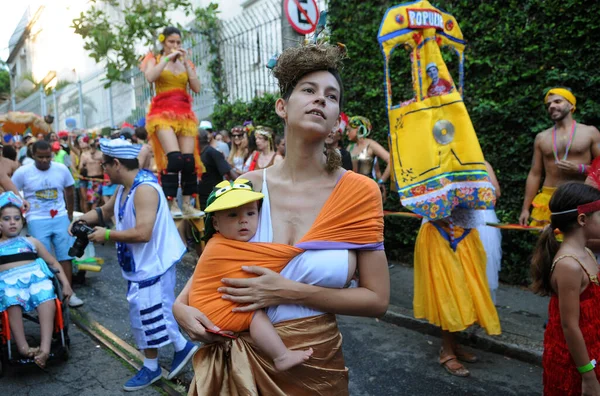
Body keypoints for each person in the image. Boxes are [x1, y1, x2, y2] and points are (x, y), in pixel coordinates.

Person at [173, 43, 389, 395]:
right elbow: (214, 264)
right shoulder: (246, 188)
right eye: (309, 90)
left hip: (315, 365)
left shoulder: (359, 193)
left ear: (337, 119)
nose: (321, 99)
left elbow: (377, 299)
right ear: (282, 107)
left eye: (331, 96)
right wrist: (179, 308)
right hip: (238, 368)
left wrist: (286, 290)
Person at [70, 138, 198, 390]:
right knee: (150, 312)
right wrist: (79, 220)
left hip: (153, 265)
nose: (102, 168)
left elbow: (143, 233)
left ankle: (157, 364)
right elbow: (105, 212)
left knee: (150, 313)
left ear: (116, 164)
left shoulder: (144, 189)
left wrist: (106, 235)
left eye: (105, 164)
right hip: (141, 265)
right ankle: (179, 350)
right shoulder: (124, 188)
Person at [190, 179, 322, 371]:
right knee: (254, 315)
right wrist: (299, 251)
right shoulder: (218, 248)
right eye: (233, 214)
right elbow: (274, 258)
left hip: (207, 310)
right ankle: (281, 356)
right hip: (212, 312)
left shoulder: (227, 244)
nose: (243, 220)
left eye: (251, 213)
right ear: (216, 223)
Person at [530, 182, 600, 395]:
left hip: (591, 349)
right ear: (582, 220)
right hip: (575, 362)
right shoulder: (568, 265)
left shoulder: (586, 253)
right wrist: (588, 377)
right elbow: (569, 326)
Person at [414, 208, 501, 377]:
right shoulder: (431, 182)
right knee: (449, 293)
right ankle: (447, 351)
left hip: (466, 234)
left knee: (465, 292)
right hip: (439, 233)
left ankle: (454, 345)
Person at [0, 191, 73, 368]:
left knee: (47, 295)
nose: (12, 222)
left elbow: (53, 262)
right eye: (7, 219)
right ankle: (24, 347)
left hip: (36, 279)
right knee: (10, 299)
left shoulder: (31, 242)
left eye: (16, 219)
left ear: (22, 221)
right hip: (9, 283)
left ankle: (45, 349)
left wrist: (66, 284)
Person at [11, 140, 83, 308]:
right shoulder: (23, 172)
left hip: (60, 216)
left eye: (47, 157)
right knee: (42, 257)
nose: (44, 160)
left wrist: (69, 214)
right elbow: (11, 191)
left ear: (52, 155)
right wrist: (19, 214)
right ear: (33, 155)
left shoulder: (61, 169)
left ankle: (69, 293)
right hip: (36, 218)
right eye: (40, 157)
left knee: (65, 255)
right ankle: (47, 293)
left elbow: (70, 191)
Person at [141, 26, 203, 218]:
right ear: (163, 42)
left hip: (184, 114)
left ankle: (187, 203)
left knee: (188, 161)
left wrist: (185, 63)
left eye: (178, 42)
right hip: (162, 113)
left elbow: (197, 88)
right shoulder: (155, 59)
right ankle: (171, 202)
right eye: (171, 42)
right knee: (175, 159)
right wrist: (167, 58)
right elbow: (150, 77)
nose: (175, 45)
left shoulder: (186, 62)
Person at [519, 88, 600, 227]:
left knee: (578, 243)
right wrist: (525, 209)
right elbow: (535, 174)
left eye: (557, 101)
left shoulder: (590, 132)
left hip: (580, 197)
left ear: (571, 105)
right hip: (549, 199)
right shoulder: (541, 138)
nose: (552, 106)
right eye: (549, 104)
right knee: (547, 244)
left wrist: (580, 168)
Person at [476, 161, 503, 303]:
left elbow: (496, 193)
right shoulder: (484, 164)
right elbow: (496, 193)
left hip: (481, 218)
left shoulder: (483, 164)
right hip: (481, 216)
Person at [346, 115, 391, 190]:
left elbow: (391, 160)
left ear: (357, 129)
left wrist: (381, 181)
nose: (347, 133)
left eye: (349, 130)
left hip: (368, 189)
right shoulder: (349, 147)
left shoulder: (371, 144)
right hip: (352, 189)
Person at [198, 129, 236, 209]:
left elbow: (229, 172)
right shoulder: (199, 154)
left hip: (213, 198)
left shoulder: (212, 152)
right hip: (201, 198)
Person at [79, 138, 104, 210]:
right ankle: (90, 217)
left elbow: (105, 166)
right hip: (90, 179)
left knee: (98, 201)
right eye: (91, 145)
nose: (92, 146)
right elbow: (80, 168)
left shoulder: (101, 154)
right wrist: (84, 165)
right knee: (90, 200)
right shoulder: (84, 155)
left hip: (100, 179)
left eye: (94, 144)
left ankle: (94, 217)